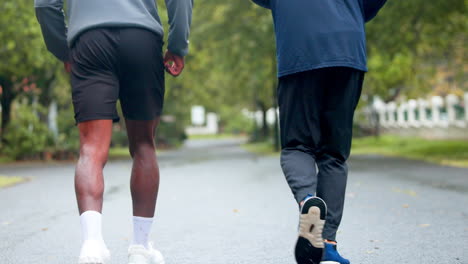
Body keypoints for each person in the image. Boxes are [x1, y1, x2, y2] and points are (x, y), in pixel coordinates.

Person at [34, 0, 193, 263]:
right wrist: (177, 45)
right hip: (141, 38)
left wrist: (64, 50)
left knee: (91, 148)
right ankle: (140, 248)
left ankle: (92, 244)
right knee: (144, 145)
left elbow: (44, 4)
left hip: (89, 39)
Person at [250, 0, 387, 263]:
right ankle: (328, 247)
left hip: (300, 51)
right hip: (348, 48)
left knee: (297, 146)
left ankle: (308, 200)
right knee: (334, 155)